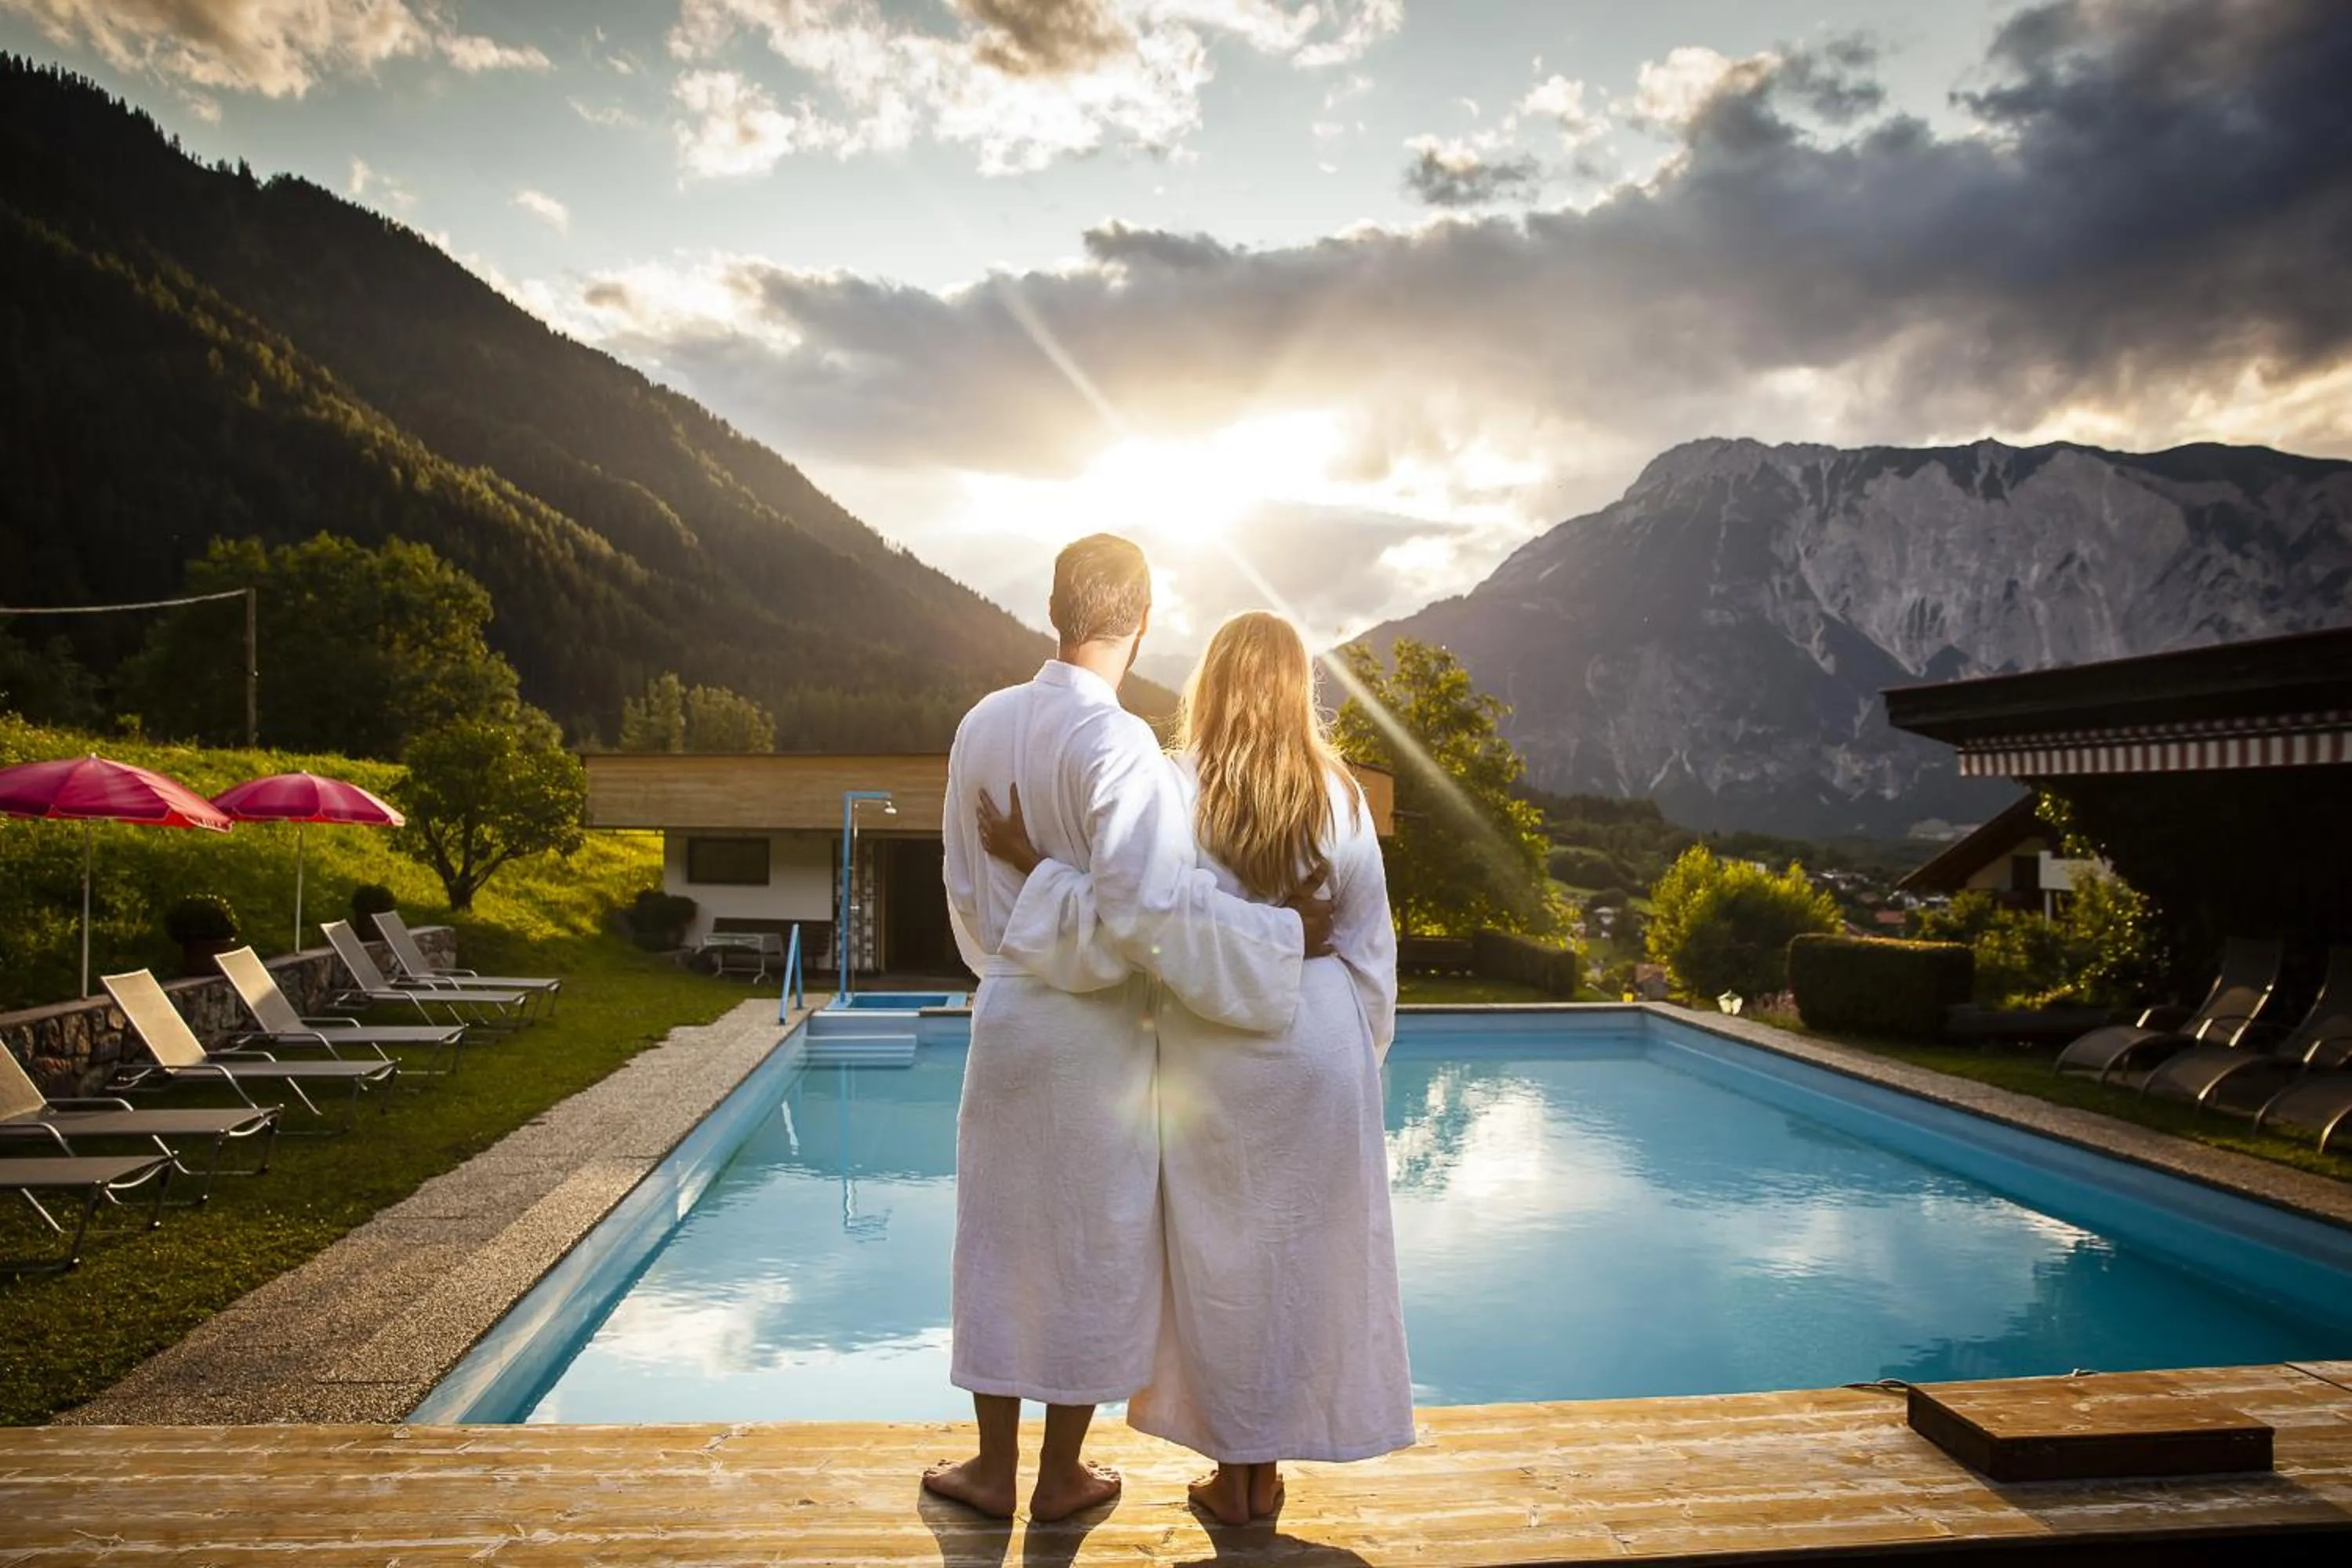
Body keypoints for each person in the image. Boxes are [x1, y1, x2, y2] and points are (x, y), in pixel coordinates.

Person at [926, 536, 1333, 1523]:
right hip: (1094, 1035)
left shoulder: (980, 723)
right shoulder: (1122, 749)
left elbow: (959, 884)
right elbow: (1144, 916)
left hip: (1009, 1015)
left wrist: (1011, 954)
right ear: (1142, 622)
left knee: (998, 1236)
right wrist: (1276, 936)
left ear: (1053, 606)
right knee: (1083, 1240)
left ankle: (989, 1468)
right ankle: (1062, 1473)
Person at [981, 609, 1414, 1526]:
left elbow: (1140, 920)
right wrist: (1355, 1055)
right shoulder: (1340, 794)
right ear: (1300, 687)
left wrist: (1035, 863)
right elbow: (1372, 950)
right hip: (1323, 1039)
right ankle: (1261, 1475)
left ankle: (1236, 1471)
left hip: (1217, 1050)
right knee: (1301, 1258)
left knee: (1228, 1262)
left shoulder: (1173, 787)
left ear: (1207, 685)